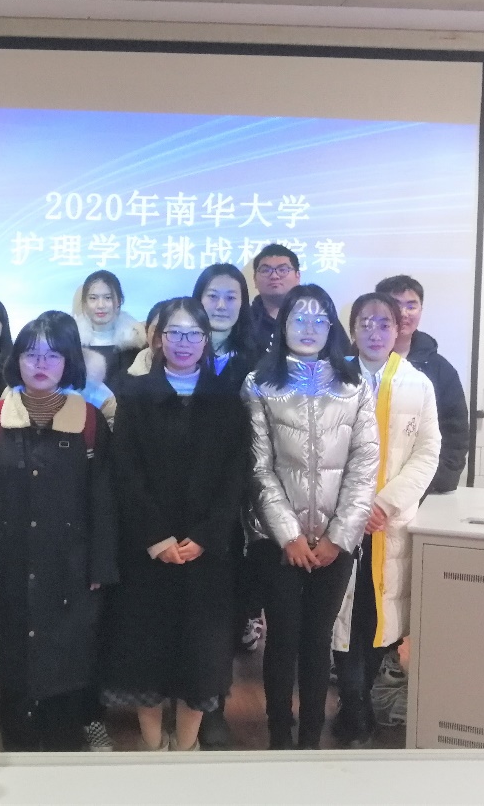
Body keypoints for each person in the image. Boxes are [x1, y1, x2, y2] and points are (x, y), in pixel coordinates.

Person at [0, 311, 118, 751]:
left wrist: (101, 566)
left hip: (71, 565)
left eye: (52, 355)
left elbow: (103, 500)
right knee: (13, 660)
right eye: (31, 354)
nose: (41, 364)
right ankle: (18, 751)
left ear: (69, 362)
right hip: (8, 564)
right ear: (17, 361)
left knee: (67, 659)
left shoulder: (89, 421)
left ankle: (64, 750)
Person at [101, 298, 251, 753]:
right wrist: (156, 538)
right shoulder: (134, 395)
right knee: (146, 653)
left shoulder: (227, 399)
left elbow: (236, 476)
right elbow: (125, 473)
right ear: (158, 339)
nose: (183, 343)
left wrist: (205, 536)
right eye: (174, 333)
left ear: (206, 341)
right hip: (147, 553)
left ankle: (186, 749)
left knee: (200, 659)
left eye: (193, 334)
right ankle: (152, 747)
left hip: (208, 556)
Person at [242, 284, 379, 750]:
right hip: (277, 541)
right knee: (282, 637)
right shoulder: (260, 383)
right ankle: (280, 735)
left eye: (319, 318)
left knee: (318, 639)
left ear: (331, 327)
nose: (309, 327)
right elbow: (258, 469)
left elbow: (365, 465)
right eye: (298, 318)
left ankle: (310, 742)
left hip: (337, 542)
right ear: (283, 325)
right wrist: (289, 536)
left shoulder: (354, 384)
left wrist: (339, 536)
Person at [331, 292, 440, 748]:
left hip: (387, 526)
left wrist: (386, 504)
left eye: (384, 324)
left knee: (378, 619)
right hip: (338, 522)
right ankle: (353, 706)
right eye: (365, 323)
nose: (374, 332)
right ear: (352, 329)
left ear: (399, 330)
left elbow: (427, 452)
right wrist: (350, 508)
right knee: (340, 621)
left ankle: (358, 702)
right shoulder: (331, 378)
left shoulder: (419, 384)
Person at [190, 263, 262, 748]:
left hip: (235, 502)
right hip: (180, 501)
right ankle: (181, 701)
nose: (220, 305)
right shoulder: (175, 351)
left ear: (243, 304)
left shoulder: (255, 361)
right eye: (212, 296)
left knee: (223, 613)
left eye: (231, 297)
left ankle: (214, 703)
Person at [375, 275, 468, 494]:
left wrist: (434, 480)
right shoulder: (354, 363)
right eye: (395, 304)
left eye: (411, 306)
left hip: (420, 489)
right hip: (361, 489)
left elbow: (455, 433)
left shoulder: (440, 369)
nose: (404, 313)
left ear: (421, 310)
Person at [73, 270, 145, 388]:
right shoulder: (73, 343)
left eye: (108, 298)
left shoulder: (136, 343)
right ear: (84, 303)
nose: (100, 305)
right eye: (93, 298)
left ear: (119, 301)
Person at [247, 244, 302, 354]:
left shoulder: (314, 318)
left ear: (298, 276)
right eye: (265, 270)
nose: (274, 276)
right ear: (254, 279)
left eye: (283, 270)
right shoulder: (244, 320)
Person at [125, 299, 167, 378]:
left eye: (174, 331)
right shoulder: (127, 379)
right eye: (157, 328)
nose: (164, 335)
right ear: (146, 331)